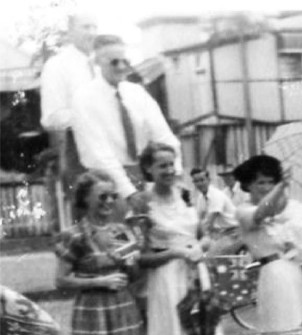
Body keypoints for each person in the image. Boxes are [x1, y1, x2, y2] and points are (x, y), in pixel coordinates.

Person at [72, 34, 182, 206]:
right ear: (98, 62)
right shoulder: (84, 98)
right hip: (107, 184)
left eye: (126, 61)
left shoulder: (137, 93)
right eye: (114, 62)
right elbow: (99, 155)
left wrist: (175, 176)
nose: (122, 67)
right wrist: (129, 193)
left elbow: (165, 138)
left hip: (145, 177)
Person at [54, 169, 146, 335]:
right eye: (102, 196)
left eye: (113, 196)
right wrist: (100, 281)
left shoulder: (121, 231)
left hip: (123, 308)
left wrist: (129, 262)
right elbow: (61, 281)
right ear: (86, 199)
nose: (110, 201)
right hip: (92, 312)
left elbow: (135, 276)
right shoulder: (74, 235)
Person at [133, 143, 203, 335]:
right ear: (148, 168)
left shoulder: (184, 194)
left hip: (196, 273)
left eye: (172, 164)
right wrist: (176, 252)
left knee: (202, 329)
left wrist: (200, 247)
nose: (170, 170)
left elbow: (203, 236)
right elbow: (140, 257)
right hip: (167, 278)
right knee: (174, 334)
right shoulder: (142, 202)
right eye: (162, 166)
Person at [233, 154, 302, 331]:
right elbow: (261, 213)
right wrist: (281, 185)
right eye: (261, 183)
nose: (267, 187)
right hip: (273, 273)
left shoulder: (281, 211)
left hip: (291, 270)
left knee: (298, 321)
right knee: (281, 323)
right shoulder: (243, 211)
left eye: (271, 182)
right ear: (248, 185)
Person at [40, 12, 98, 229]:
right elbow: (51, 116)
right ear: (70, 31)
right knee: (84, 225)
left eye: (94, 27)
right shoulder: (57, 66)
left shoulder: (103, 64)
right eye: (86, 27)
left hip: (112, 150)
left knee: (115, 226)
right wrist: (92, 117)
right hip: (79, 151)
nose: (92, 33)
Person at [190, 167, 239, 255]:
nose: (200, 184)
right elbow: (199, 221)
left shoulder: (216, 195)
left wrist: (202, 237)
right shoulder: (201, 198)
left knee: (211, 257)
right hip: (219, 234)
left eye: (202, 180)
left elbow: (209, 222)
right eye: (196, 181)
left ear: (209, 180)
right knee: (194, 251)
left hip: (233, 233)